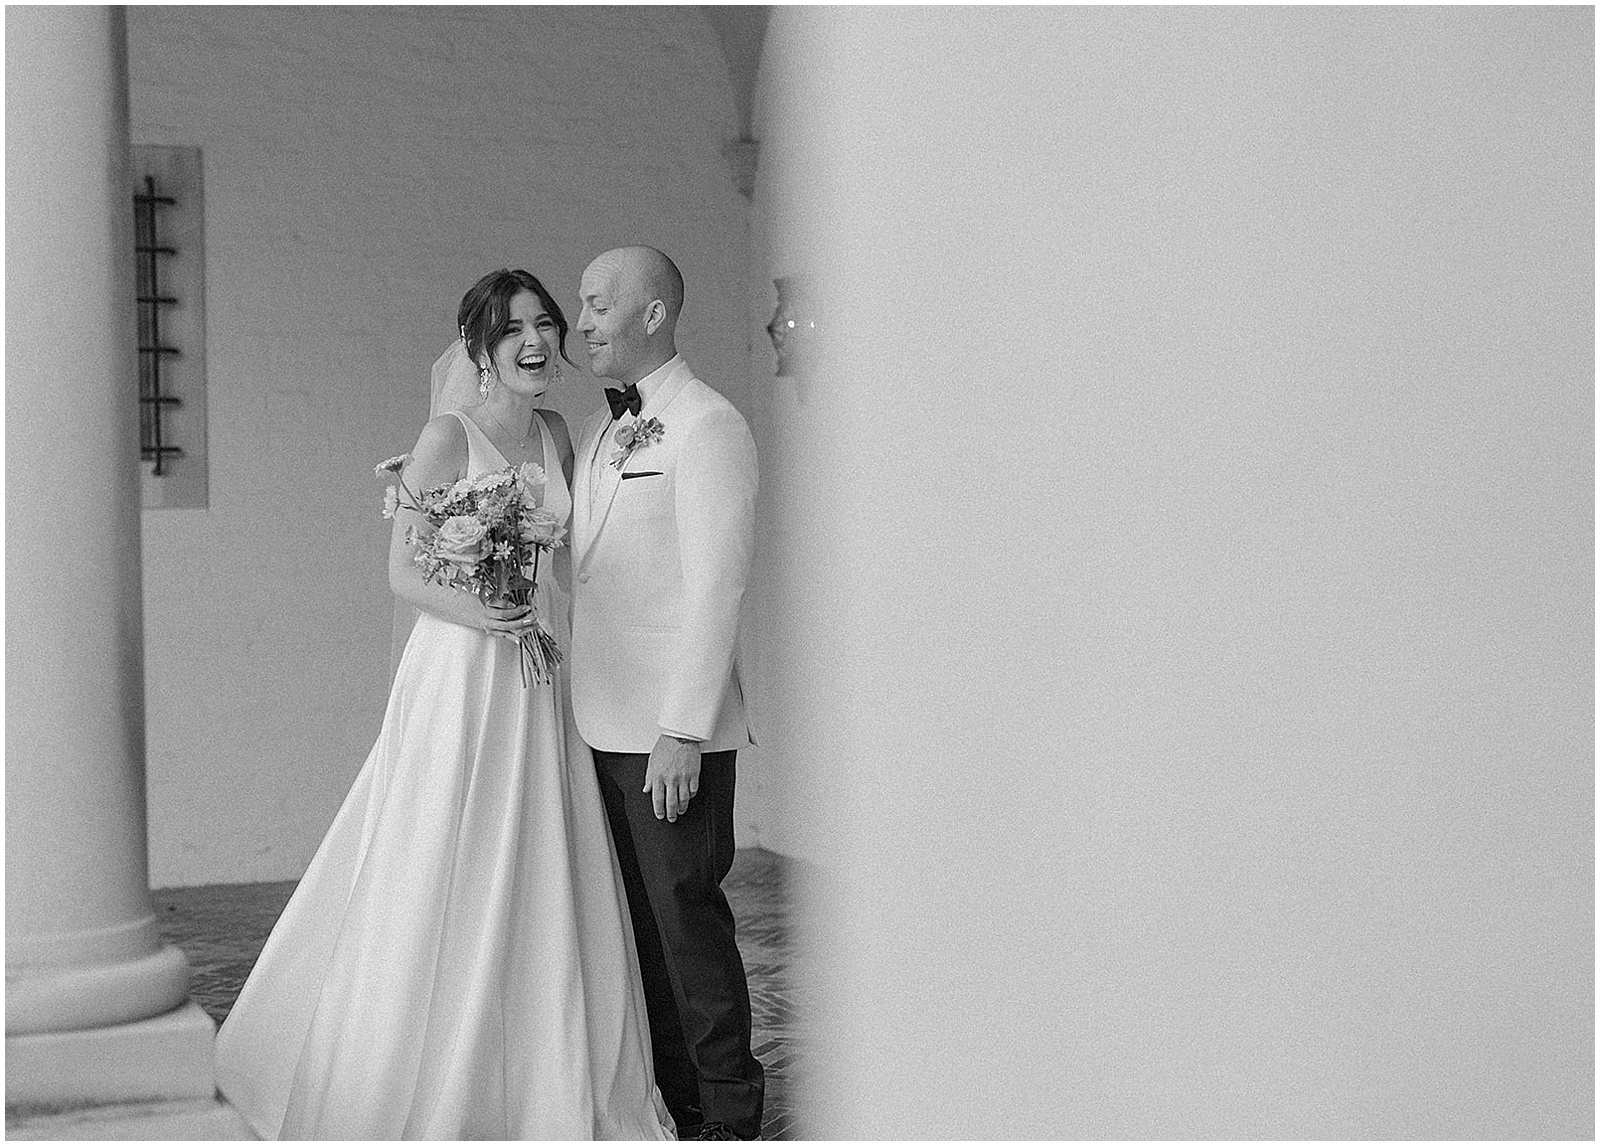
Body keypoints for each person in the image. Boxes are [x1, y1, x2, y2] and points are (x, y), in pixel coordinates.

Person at [213, 268, 675, 1140]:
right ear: (481, 352)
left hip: (536, 677)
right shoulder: (444, 437)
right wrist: (493, 613)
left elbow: (573, 559)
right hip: (462, 670)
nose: (538, 342)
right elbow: (403, 571)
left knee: (540, 853)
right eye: (515, 332)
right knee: (440, 849)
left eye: (547, 325)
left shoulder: (554, 436)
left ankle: (544, 1072)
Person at [570, 246, 764, 1141]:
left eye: (599, 304)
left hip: (666, 734)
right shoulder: (602, 433)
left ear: (653, 314)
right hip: (594, 723)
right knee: (639, 931)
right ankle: (678, 1110)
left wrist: (683, 731)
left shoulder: (709, 425)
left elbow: (716, 585)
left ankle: (729, 1119)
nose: (583, 322)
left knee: (688, 928)